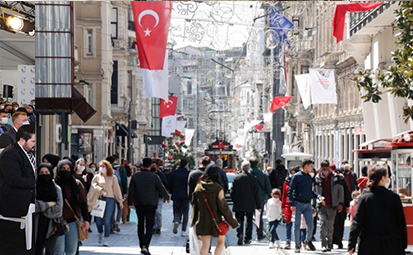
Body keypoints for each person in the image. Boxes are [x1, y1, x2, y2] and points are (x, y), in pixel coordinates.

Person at [348, 164, 407, 255]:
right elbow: (401, 222)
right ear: (383, 178)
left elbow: (357, 222)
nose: (388, 178)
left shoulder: (364, 198)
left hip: (369, 244)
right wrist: (404, 243)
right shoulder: (394, 198)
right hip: (391, 244)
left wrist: (351, 243)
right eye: (387, 176)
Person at [0, 124, 36, 254]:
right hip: (14, 198)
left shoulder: (26, 152)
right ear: (22, 140)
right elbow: (15, 180)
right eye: (32, 141)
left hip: (26, 192)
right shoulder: (10, 154)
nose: (34, 144)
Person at [191, 164, 238, 255]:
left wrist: (193, 221)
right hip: (216, 221)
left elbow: (194, 206)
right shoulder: (218, 188)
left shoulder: (198, 187)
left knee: (205, 246)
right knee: (221, 242)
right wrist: (232, 221)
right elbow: (223, 207)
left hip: (202, 221)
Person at [128, 157, 170, 255]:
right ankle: (146, 245)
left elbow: (131, 190)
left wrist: (130, 203)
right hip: (151, 203)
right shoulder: (154, 177)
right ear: (151, 165)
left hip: (139, 203)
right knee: (150, 225)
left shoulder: (136, 176)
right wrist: (167, 197)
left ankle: (141, 244)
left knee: (141, 224)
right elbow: (161, 188)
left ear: (142, 164)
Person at [54, 159, 90, 255]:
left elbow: (83, 203)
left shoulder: (77, 184)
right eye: (63, 168)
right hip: (57, 221)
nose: (65, 170)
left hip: (72, 221)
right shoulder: (54, 184)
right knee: (58, 251)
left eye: (68, 168)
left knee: (71, 251)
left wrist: (86, 219)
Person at [88, 160, 123, 246]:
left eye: (104, 166)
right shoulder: (96, 177)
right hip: (99, 199)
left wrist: (120, 201)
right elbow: (93, 187)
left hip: (110, 200)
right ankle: (100, 232)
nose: (102, 168)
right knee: (98, 221)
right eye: (100, 166)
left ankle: (106, 238)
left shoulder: (113, 177)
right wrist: (99, 190)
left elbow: (117, 190)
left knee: (107, 220)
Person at [288, 158, 319, 253]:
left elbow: (310, 191)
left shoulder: (309, 177)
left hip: (307, 204)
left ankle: (307, 240)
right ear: (305, 166)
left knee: (311, 225)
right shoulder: (296, 177)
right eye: (311, 166)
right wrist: (292, 203)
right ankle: (297, 245)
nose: (312, 168)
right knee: (297, 225)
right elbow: (290, 191)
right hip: (298, 203)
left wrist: (318, 196)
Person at [313, 160, 344, 252]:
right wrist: (313, 205)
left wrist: (340, 203)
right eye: (323, 168)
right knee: (322, 224)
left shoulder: (336, 178)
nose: (325, 170)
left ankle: (329, 243)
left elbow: (340, 191)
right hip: (321, 205)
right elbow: (313, 191)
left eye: (327, 168)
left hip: (332, 205)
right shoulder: (317, 178)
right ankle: (323, 244)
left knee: (330, 226)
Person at [35, 163, 63, 255]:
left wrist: (41, 208)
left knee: (50, 250)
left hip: (52, 225)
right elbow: (32, 207)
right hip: (36, 224)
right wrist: (47, 205)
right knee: (37, 249)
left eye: (46, 172)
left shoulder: (56, 189)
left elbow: (58, 208)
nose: (44, 174)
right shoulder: (34, 188)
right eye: (41, 172)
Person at [231, 161, 261, 246]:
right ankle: (248, 238)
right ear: (249, 168)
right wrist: (258, 205)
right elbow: (256, 193)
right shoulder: (253, 178)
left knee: (239, 219)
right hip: (250, 203)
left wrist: (234, 200)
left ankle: (239, 233)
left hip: (239, 202)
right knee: (249, 220)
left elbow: (232, 191)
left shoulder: (236, 178)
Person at [249, 156, 272, 241]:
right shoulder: (263, 173)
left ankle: (248, 236)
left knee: (249, 217)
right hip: (260, 197)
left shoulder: (248, 173)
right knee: (259, 216)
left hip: (250, 197)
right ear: (257, 163)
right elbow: (268, 187)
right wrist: (269, 198)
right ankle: (259, 234)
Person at [331, 164, 351, 249]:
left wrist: (346, 205)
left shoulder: (340, 179)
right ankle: (333, 241)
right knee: (334, 224)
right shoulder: (330, 179)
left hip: (341, 205)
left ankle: (338, 241)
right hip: (333, 205)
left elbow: (346, 193)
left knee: (339, 224)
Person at [169, 158, 190, 236]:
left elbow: (169, 184)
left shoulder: (173, 173)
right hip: (186, 196)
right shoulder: (188, 173)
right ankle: (183, 230)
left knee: (177, 210)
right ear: (186, 164)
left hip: (176, 195)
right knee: (185, 213)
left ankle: (176, 220)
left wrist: (172, 192)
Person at [282, 166, 298, 249]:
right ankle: (288, 241)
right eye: (291, 172)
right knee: (288, 223)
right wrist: (282, 207)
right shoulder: (286, 182)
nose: (293, 174)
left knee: (298, 224)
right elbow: (284, 195)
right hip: (288, 205)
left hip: (298, 203)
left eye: (294, 172)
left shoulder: (299, 180)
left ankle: (299, 242)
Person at [152, 159, 168, 235]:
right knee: (152, 212)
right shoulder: (150, 174)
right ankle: (153, 227)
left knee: (158, 212)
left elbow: (164, 185)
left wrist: (165, 196)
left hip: (159, 196)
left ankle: (158, 227)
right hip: (151, 196)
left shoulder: (161, 175)